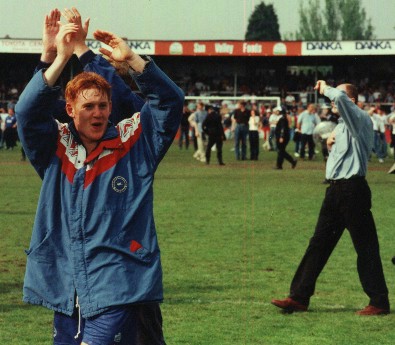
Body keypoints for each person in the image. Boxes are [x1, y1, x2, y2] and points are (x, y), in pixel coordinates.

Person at [15, 8, 184, 345]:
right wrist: (55, 58)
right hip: (67, 284)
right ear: (69, 110)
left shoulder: (134, 142)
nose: (97, 113)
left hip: (120, 283)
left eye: (103, 106)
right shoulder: (56, 148)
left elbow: (170, 101)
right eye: (88, 106)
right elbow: (27, 111)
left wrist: (133, 60)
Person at [271, 81, 390, 316]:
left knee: (365, 247)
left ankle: (379, 302)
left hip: (353, 191)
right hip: (335, 191)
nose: (332, 102)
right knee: (318, 244)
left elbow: (341, 98)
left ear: (353, 101)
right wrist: (329, 143)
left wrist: (325, 87)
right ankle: (299, 297)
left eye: (339, 97)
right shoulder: (343, 125)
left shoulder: (360, 118)